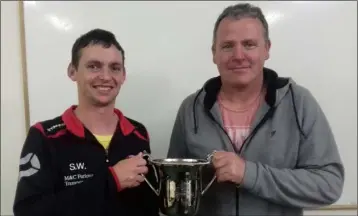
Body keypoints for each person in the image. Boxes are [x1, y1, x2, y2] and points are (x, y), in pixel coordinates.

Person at [167, 3, 344, 216]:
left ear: (267, 49)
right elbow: (175, 187)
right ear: (214, 53)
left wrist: (249, 174)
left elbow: (329, 184)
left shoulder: (299, 103)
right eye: (227, 46)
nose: (239, 55)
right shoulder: (191, 109)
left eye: (249, 44)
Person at [13, 29, 159, 216]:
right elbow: (28, 211)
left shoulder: (138, 133)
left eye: (114, 68)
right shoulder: (44, 136)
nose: (106, 76)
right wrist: (111, 180)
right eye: (94, 66)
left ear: (123, 75)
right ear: (72, 71)